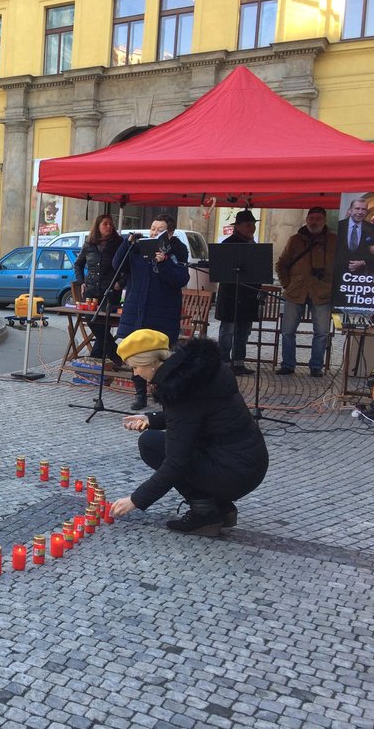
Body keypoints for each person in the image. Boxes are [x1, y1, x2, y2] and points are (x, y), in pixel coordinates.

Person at [110, 329, 268, 537]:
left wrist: (135, 500)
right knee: (151, 439)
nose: (136, 374)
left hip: (233, 472)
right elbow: (195, 416)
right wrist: (152, 419)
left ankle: (205, 514)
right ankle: (220, 508)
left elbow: (176, 463)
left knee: (153, 446)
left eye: (136, 367)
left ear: (153, 363)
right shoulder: (197, 372)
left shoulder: (181, 392)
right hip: (248, 461)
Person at [113, 213, 189, 410]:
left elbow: (180, 279)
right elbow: (116, 264)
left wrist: (164, 263)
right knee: (135, 354)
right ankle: (140, 395)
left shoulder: (178, 251)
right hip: (136, 309)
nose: (154, 232)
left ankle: (164, 396)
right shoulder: (138, 247)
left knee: (160, 356)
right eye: (153, 228)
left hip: (162, 311)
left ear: (169, 233)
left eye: (159, 229)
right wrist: (127, 243)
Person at [275, 207, 336, 377]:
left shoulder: (334, 241)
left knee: (322, 332)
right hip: (296, 291)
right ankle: (288, 364)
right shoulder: (295, 240)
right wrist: (287, 284)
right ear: (306, 220)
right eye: (311, 218)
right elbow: (281, 264)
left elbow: (340, 266)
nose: (313, 221)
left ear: (324, 221)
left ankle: (316, 366)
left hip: (322, 291)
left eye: (317, 218)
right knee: (287, 331)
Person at [73, 213, 125, 366]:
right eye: (105, 224)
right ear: (98, 226)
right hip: (91, 290)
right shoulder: (89, 243)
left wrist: (120, 283)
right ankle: (113, 352)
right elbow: (78, 264)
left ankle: (96, 358)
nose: (109, 227)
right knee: (92, 320)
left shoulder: (119, 243)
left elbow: (127, 266)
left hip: (110, 291)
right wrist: (81, 281)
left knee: (103, 322)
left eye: (110, 224)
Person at [215, 209, 261, 376]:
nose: (252, 228)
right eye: (248, 225)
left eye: (253, 225)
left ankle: (239, 362)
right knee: (228, 330)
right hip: (231, 295)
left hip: (249, 296)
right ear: (238, 226)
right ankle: (224, 362)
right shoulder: (228, 244)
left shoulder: (253, 245)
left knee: (244, 331)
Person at [336, 197, 374, 273]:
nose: (360, 212)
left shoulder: (372, 228)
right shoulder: (339, 226)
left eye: (363, 209)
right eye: (357, 208)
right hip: (338, 272)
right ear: (350, 210)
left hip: (361, 275)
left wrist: (363, 262)